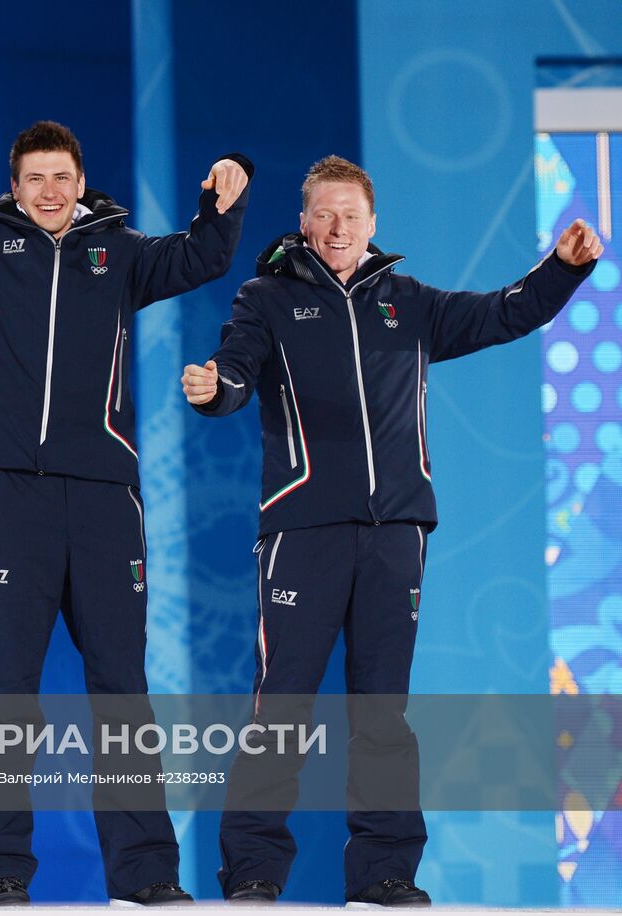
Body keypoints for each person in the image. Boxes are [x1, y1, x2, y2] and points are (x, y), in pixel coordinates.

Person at [181, 155, 602, 907]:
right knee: (281, 709)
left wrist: (562, 270)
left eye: (351, 216)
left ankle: (383, 876)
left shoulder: (410, 303)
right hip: (303, 529)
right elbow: (236, 374)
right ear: (305, 222)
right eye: (324, 215)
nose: (337, 228)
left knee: (382, 712)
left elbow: (505, 311)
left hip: (396, 532)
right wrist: (215, 391)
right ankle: (252, 873)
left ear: (373, 225)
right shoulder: (267, 298)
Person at [0, 108, 253, 904]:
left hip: (102, 493)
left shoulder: (119, 253)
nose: (51, 190)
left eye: (63, 177)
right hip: (5, 493)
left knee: (123, 686)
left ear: (82, 182)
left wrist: (227, 186)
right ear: (14, 188)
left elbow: (202, 255)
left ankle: (148, 875)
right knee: (8, 688)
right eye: (36, 179)